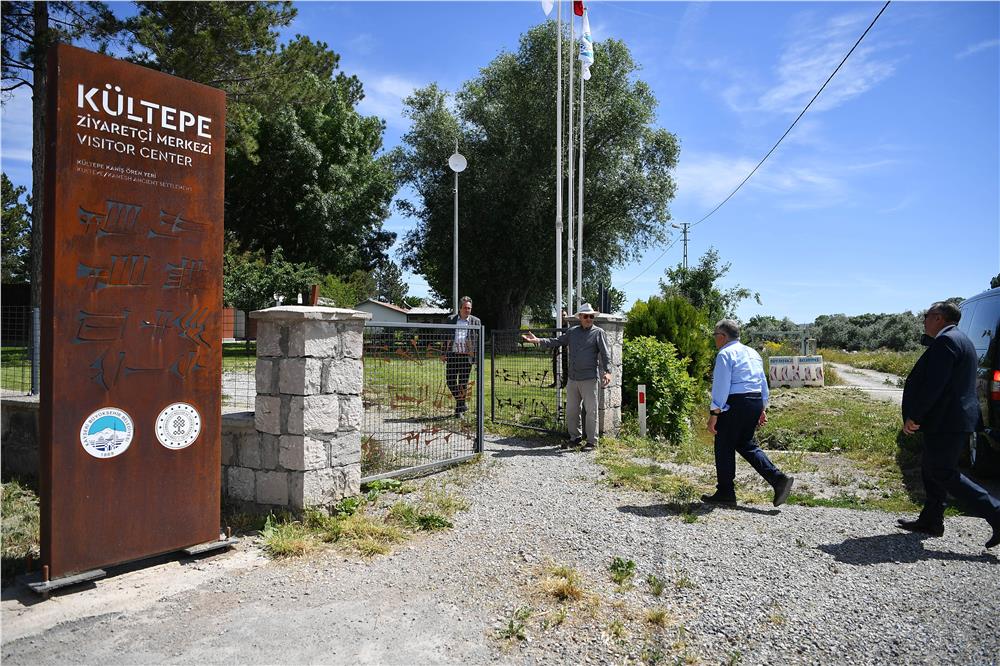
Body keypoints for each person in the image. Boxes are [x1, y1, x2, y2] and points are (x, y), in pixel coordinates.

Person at [899, 301, 1000, 548]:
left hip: (947, 420)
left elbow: (935, 385)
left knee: (944, 471)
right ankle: (931, 520)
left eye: (927, 315)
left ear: (940, 318)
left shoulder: (947, 342)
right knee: (930, 467)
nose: (924, 320)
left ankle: (996, 512)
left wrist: (915, 416)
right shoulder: (961, 339)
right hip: (949, 419)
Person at [703, 319, 794, 507]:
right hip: (754, 401)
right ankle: (778, 480)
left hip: (735, 403)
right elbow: (762, 382)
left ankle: (726, 492)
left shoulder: (725, 354)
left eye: (715, 336)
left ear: (722, 336)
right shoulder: (753, 353)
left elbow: (721, 386)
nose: (714, 340)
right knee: (746, 444)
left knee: (724, 445)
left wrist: (714, 413)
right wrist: (762, 407)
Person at [522, 303, 611, 450]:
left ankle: (592, 442)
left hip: (589, 378)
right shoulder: (573, 332)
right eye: (586, 316)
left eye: (591, 316)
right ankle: (575, 438)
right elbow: (556, 341)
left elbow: (605, 354)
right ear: (580, 317)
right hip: (573, 378)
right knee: (572, 410)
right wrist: (538, 340)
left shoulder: (598, 332)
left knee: (591, 411)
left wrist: (607, 371)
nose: (589, 319)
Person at [444, 296, 480, 417]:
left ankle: (459, 411)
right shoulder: (451, 319)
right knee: (450, 381)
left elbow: (478, 341)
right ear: (460, 308)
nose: (467, 310)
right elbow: (446, 338)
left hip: (467, 357)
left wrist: (476, 358)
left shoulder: (476, 321)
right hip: (453, 355)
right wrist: (443, 353)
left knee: (463, 383)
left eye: (469, 308)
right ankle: (461, 403)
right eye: (465, 308)